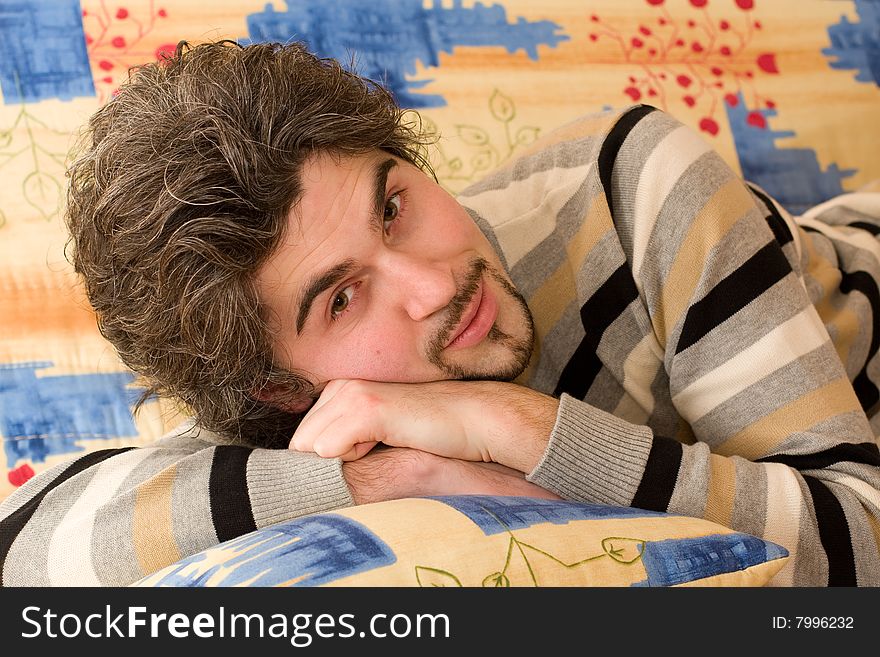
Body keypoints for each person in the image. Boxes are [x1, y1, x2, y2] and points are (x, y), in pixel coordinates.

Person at [1, 40, 878, 587]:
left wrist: (516, 425)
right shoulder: (303, 419)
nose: (432, 285)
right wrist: (385, 477)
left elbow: (859, 551)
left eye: (393, 206)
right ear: (278, 386)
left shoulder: (635, 183)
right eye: (343, 297)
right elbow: (24, 559)